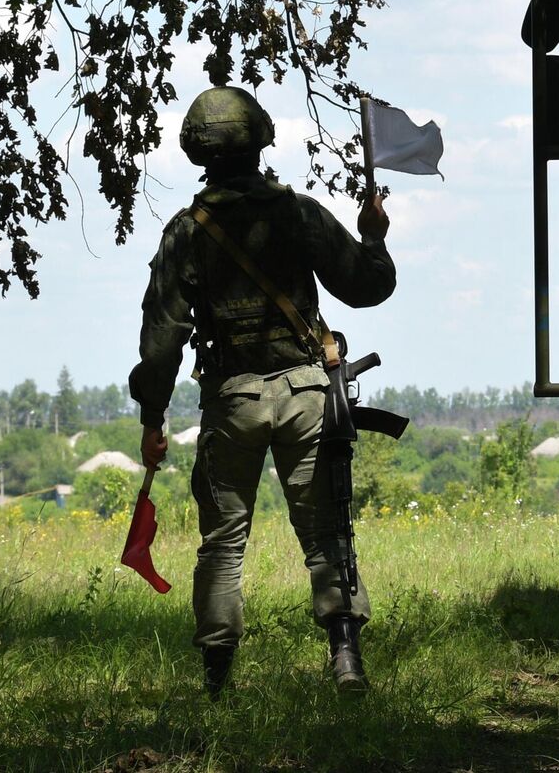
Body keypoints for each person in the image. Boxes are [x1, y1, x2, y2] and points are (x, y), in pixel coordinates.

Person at [128, 85, 395, 697]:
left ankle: (216, 682)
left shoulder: (186, 233)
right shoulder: (297, 215)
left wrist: (153, 417)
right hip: (306, 396)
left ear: (199, 152)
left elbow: (162, 336)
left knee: (222, 543)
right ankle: (347, 660)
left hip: (234, 401)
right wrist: (374, 236)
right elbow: (365, 286)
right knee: (326, 533)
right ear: (261, 143)